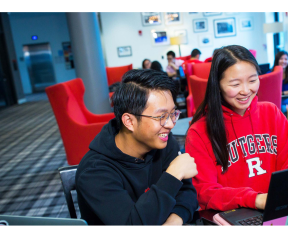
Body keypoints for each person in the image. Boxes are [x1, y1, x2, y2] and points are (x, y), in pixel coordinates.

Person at [185, 45, 288, 211]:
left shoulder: (271, 112)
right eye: (235, 84)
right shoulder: (199, 132)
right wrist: (255, 199)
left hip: (278, 206)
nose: (245, 91)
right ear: (217, 84)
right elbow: (205, 192)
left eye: (252, 80)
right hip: (234, 215)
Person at [76, 69, 198, 225]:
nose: (170, 124)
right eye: (161, 117)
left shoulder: (163, 143)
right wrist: (173, 174)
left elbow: (187, 192)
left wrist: (174, 222)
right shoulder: (94, 171)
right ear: (129, 121)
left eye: (173, 114)